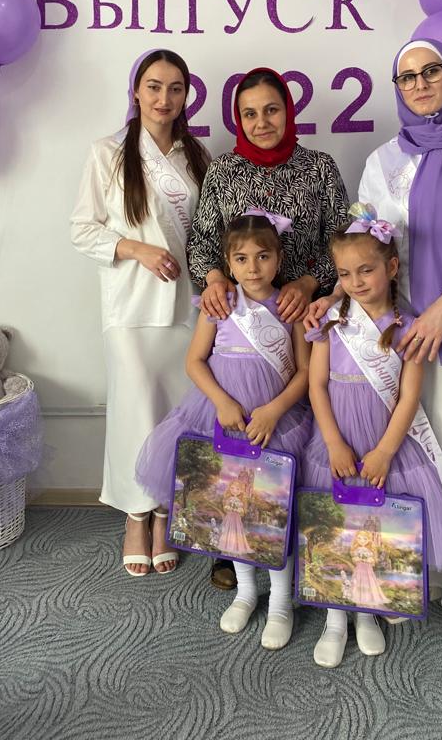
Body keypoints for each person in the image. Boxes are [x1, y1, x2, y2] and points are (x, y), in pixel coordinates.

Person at [309, 39, 442, 626]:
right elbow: (365, 250)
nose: (420, 83)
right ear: (398, 87)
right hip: (394, 338)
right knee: (405, 459)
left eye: (431, 71)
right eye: (407, 76)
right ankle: (406, 577)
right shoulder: (383, 160)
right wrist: (335, 295)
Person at [187, 68, 348, 588]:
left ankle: (285, 535)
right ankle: (231, 541)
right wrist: (215, 279)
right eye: (250, 113)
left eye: (272, 110)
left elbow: (343, 243)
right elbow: (202, 242)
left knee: (291, 432)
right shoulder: (224, 171)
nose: (262, 122)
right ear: (238, 118)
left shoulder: (319, 168)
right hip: (238, 321)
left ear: (289, 111)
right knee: (234, 438)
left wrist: (308, 282)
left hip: (302, 318)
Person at [303, 207, 442, 668]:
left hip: (384, 444)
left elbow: (409, 397)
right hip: (337, 440)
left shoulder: (409, 327)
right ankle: (335, 617)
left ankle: (366, 614)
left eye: (365, 270)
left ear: (391, 267)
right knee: (337, 525)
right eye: (344, 274)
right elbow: (316, 387)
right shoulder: (331, 321)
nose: (355, 282)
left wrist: (384, 451)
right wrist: (333, 442)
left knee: (372, 527)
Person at [136, 212, 311, 649]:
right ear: (228, 264)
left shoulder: (290, 308)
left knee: (273, 513)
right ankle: (247, 591)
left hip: (275, 426)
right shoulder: (218, 306)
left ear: (279, 259)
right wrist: (222, 402)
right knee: (236, 514)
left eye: (263, 257)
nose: (253, 267)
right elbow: (194, 362)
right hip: (223, 420)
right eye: (242, 259)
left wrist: (274, 410)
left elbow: (305, 372)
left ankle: (281, 603)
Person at [70, 49, 209, 578]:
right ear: (136, 90)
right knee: (134, 411)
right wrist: (137, 249)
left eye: (175, 88)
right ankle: (135, 515)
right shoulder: (107, 152)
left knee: (174, 412)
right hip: (129, 306)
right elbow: (82, 229)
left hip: (185, 305)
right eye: (153, 86)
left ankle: (165, 511)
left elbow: (208, 232)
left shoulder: (197, 155)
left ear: (186, 95)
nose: (163, 98)